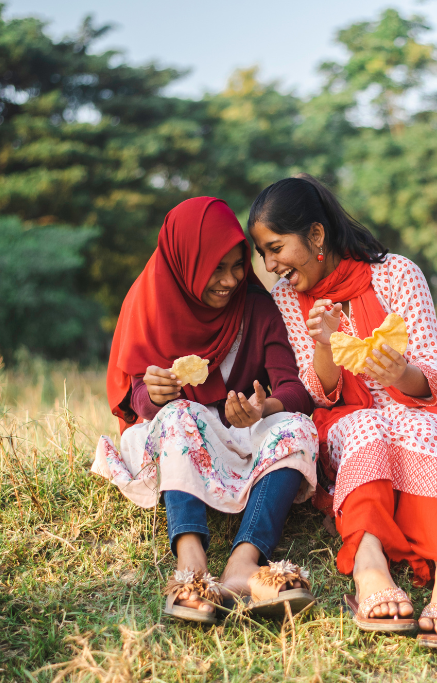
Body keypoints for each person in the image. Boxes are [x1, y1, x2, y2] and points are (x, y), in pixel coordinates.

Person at [247, 175, 437, 649]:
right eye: (264, 254)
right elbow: (320, 394)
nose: (271, 266)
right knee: (364, 425)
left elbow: (431, 375)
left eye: (276, 248)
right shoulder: (287, 300)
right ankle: (370, 563)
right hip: (347, 416)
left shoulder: (397, 274)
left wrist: (396, 373)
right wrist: (327, 342)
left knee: (423, 428)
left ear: (316, 236)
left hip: (418, 405)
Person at [92, 197, 319, 625]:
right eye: (215, 267)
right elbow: (137, 399)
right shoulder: (151, 302)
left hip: (239, 435)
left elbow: (293, 388)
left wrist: (263, 408)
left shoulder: (255, 306)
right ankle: (191, 570)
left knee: (297, 426)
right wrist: (157, 393)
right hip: (176, 435)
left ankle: (243, 565)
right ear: (184, 261)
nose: (230, 280)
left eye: (237, 266)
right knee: (179, 412)